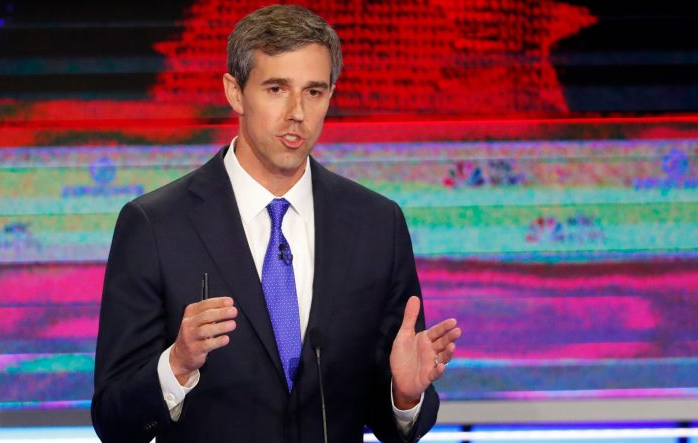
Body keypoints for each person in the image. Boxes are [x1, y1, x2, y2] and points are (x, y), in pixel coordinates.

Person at [91, 5, 461, 443]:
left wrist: (403, 395)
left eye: (314, 92)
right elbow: (113, 419)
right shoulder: (155, 225)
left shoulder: (376, 224)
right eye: (276, 89)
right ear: (234, 92)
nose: (297, 113)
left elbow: (393, 418)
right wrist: (176, 365)